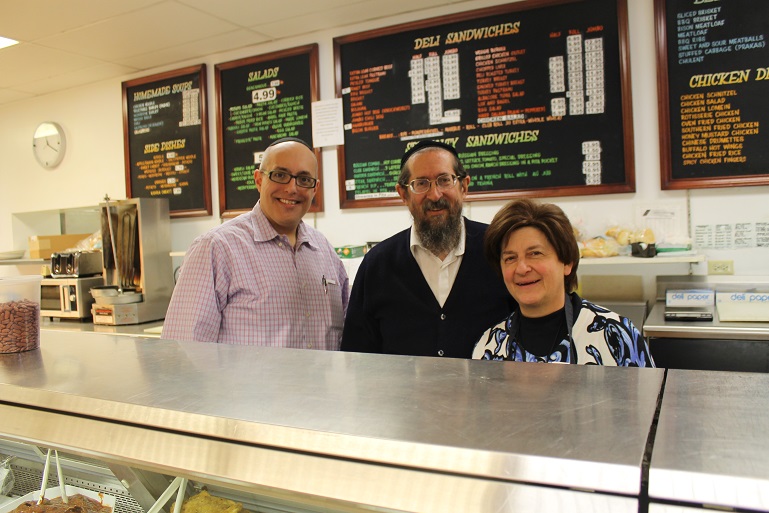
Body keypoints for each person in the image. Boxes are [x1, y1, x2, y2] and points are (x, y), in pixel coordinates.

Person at [162, 137, 348, 347]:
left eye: (304, 180)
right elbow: (184, 351)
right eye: (280, 175)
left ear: (315, 189)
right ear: (259, 180)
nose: (292, 188)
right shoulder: (217, 248)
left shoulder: (324, 250)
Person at [341, 140, 514, 358]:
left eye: (444, 180)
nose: (435, 195)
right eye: (421, 183)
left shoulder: (499, 249)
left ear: (464, 186)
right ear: (403, 194)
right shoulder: (377, 264)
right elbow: (356, 356)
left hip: (491, 392)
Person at [472, 198, 655, 366]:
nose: (522, 268)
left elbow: (647, 400)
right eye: (510, 258)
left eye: (535, 253)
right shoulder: (490, 346)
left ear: (567, 262)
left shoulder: (616, 336)